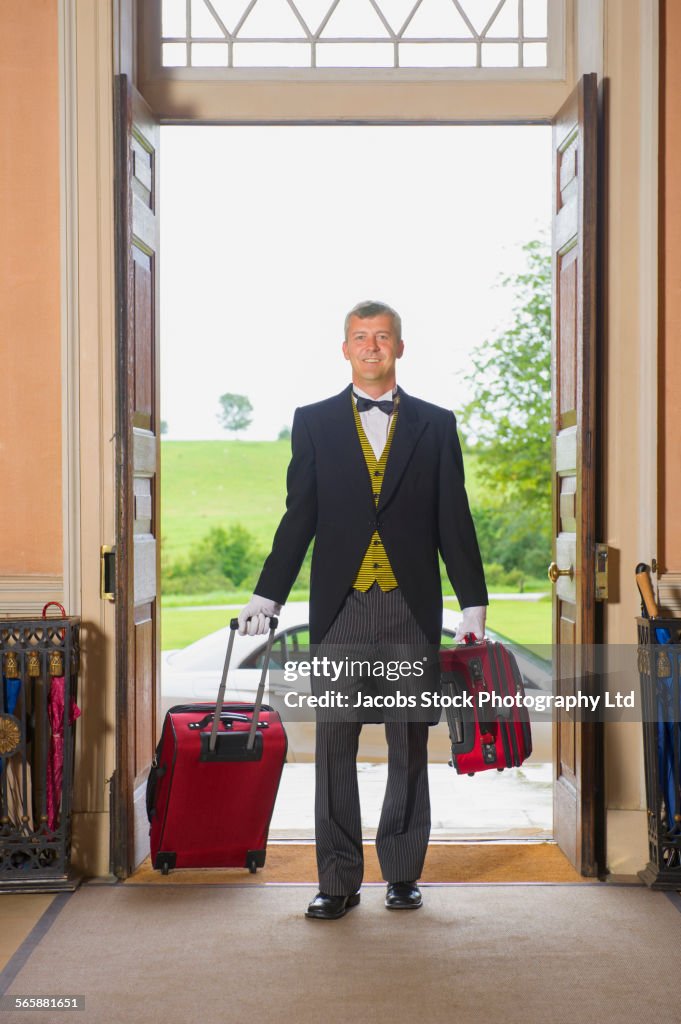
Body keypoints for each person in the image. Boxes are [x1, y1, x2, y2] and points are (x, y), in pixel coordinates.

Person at [238, 299, 488, 919]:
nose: (371, 346)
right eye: (360, 337)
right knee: (334, 747)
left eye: (382, 337)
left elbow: (453, 520)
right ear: (344, 349)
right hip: (342, 611)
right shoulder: (314, 422)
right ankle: (338, 879)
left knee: (408, 742)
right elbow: (299, 520)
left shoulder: (436, 424)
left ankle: (402, 873)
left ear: (399, 347)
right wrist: (265, 596)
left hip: (410, 610)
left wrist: (472, 602)